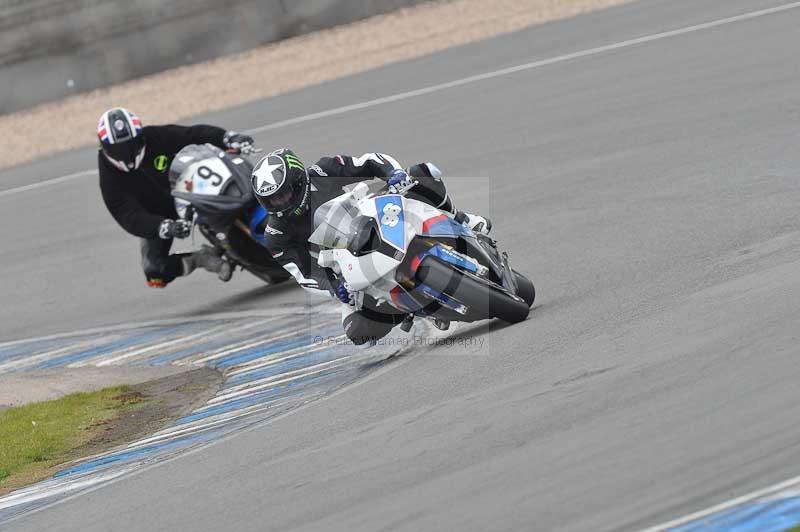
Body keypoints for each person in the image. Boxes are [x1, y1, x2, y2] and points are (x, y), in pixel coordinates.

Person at [250, 148, 492, 345]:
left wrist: (393, 174)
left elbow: (369, 161)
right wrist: (335, 287)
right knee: (358, 333)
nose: (280, 203)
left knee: (422, 173)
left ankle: (460, 219)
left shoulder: (323, 170)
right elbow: (304, 276)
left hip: (379, 219)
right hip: (347, 266)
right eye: (272, 200)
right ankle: (411, 308)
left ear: (299, 180)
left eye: (284, 195)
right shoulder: (276, 235)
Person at [97, 107, 255, 288]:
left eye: (130, 143)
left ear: (139, 136)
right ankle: (199, 259)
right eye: (119, 148)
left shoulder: (153, 137)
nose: (127, 152)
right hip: (157, 214)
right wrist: (162, 226)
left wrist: (227, 138)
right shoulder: (109, 179)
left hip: (188, 188)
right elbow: (129, 216)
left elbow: (192, 134)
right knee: (154, 272)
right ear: (105, 147)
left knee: (235, 175)